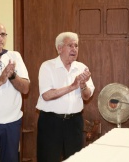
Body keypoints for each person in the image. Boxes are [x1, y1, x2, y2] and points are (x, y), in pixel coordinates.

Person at [36, 32, 95, 162]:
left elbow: (87, 96)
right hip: (51, 122)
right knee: (48, 158)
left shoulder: (82, 67)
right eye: (70, 45)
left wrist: (83, 85)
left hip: (74, 122)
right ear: (59, 48)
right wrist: (72, 86)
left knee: (75, 159)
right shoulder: (47, 66)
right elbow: (46, 95)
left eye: (76, 45)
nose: (74, 49)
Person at [0, 22, 30, 162]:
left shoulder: (15, 56)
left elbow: (26, 88)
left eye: (3, 34)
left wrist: (12, 76)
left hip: (12, 121)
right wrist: (0, 80)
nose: (0, 38)